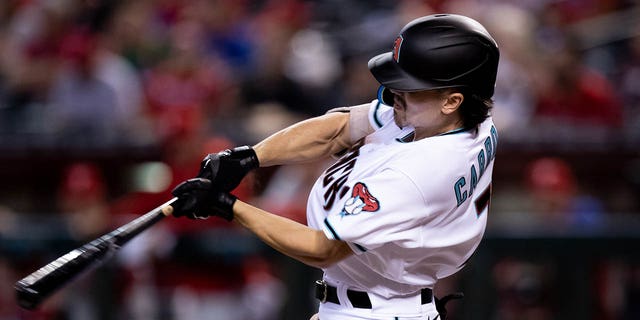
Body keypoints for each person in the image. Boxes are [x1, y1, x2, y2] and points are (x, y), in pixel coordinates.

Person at [171, 13, 500, 320]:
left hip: (374, 310)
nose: (392, 94)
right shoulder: (463, 121)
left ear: (451, 100)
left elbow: (322, 249)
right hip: (383, 303)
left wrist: (228, 207)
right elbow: (340, 127)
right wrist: (250, 157)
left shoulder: (416, 173)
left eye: (409, 89)